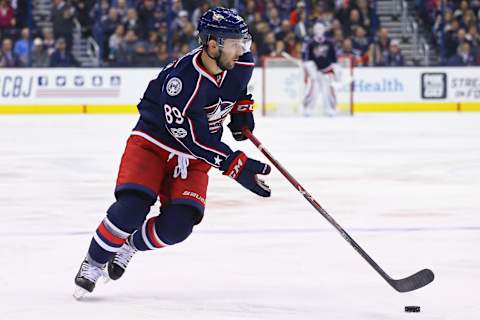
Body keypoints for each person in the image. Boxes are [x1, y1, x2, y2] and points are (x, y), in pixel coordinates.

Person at [73, 7, 271, 299]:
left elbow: (239, 89)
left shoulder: (241, 63)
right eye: (234, 43)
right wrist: (234, 165)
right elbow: (194, 139)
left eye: (244, 42)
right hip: (153, 143)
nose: (242, 50)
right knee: (132, 208)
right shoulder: (182, 83)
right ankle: (95, 260)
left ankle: (129, 245)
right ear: (213, 44)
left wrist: (241, 110)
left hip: (195, 157)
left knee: (178, 227)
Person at [302, 22, 337, 117]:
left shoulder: (330, 43)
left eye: (321, 29)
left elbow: (334, 59)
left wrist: (334, 68)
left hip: (327, 71)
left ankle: (330, 109)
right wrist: (311, 70)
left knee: (328, 92)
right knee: (313, 91)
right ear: (314, 30)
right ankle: (307, 109)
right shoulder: (310, 43)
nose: (319, 31)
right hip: (315, 72)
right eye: (317, 29)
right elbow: (306, 59)